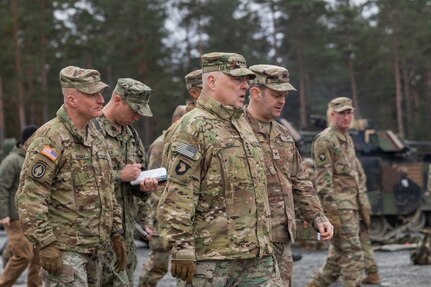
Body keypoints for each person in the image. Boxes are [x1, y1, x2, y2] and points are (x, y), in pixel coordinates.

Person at [157, 52, 276, 286]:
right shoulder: (192, 126)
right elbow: (179, 193)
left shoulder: (240, 123)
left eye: (246, 80)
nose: (244, 86)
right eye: (236, 80)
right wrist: (181, 248)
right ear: (211, 82)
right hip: (212, 257)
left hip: (255, 254)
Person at [15, 66, 127, 286]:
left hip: (96, 249)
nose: (101, 99)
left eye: (100, 93)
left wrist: (116, 232)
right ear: (72, 99)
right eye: (92, 94)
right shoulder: (50, 137)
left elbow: (106, 189)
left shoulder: (95, 135)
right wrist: (46, 244)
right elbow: (30, 196)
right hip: (66, 250)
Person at [245, 64, 333, 286]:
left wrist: (317, 216)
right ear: (255, 93)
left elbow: (300, 181)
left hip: (281, 238)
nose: (282, 100)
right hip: (248, 241)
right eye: (276, 95)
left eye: (284, 95)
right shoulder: (235, 131)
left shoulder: (283, 135)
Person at [307, 97, 379, 287]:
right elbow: (323, 181)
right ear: (332, 115)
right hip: (340, 206)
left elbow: (355, 174)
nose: (347, 117)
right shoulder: (325, 140)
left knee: (339, 254)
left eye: (349, 113)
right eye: (342, 113)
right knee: (352, 254)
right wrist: (332, 214)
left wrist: (363, 204)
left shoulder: (346, 138)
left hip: (353, 204)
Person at [94, 77, 158, 286]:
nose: (138, 117)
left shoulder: (131, 135)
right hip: (95, 236)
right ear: (118, 100)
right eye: (134, 110)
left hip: (125, 236)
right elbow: (76, 180)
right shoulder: (91, 130)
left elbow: (135, 182)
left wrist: (144, 187)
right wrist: (118, 176)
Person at [138, 104, 187, 287]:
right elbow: (153, 183)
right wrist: (153, 219)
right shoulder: (161, 145)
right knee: (157, 265)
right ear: (176, 120)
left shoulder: (184, 144)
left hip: (180, 214)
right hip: (162, 216)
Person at [0, 125, 42, 287]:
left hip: (34, 217)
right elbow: (1, 187)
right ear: (27, 140)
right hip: (15, 217)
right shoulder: (12, 161)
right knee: (24, 255)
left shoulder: (35, 159)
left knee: (38, 257)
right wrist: (3, 214)